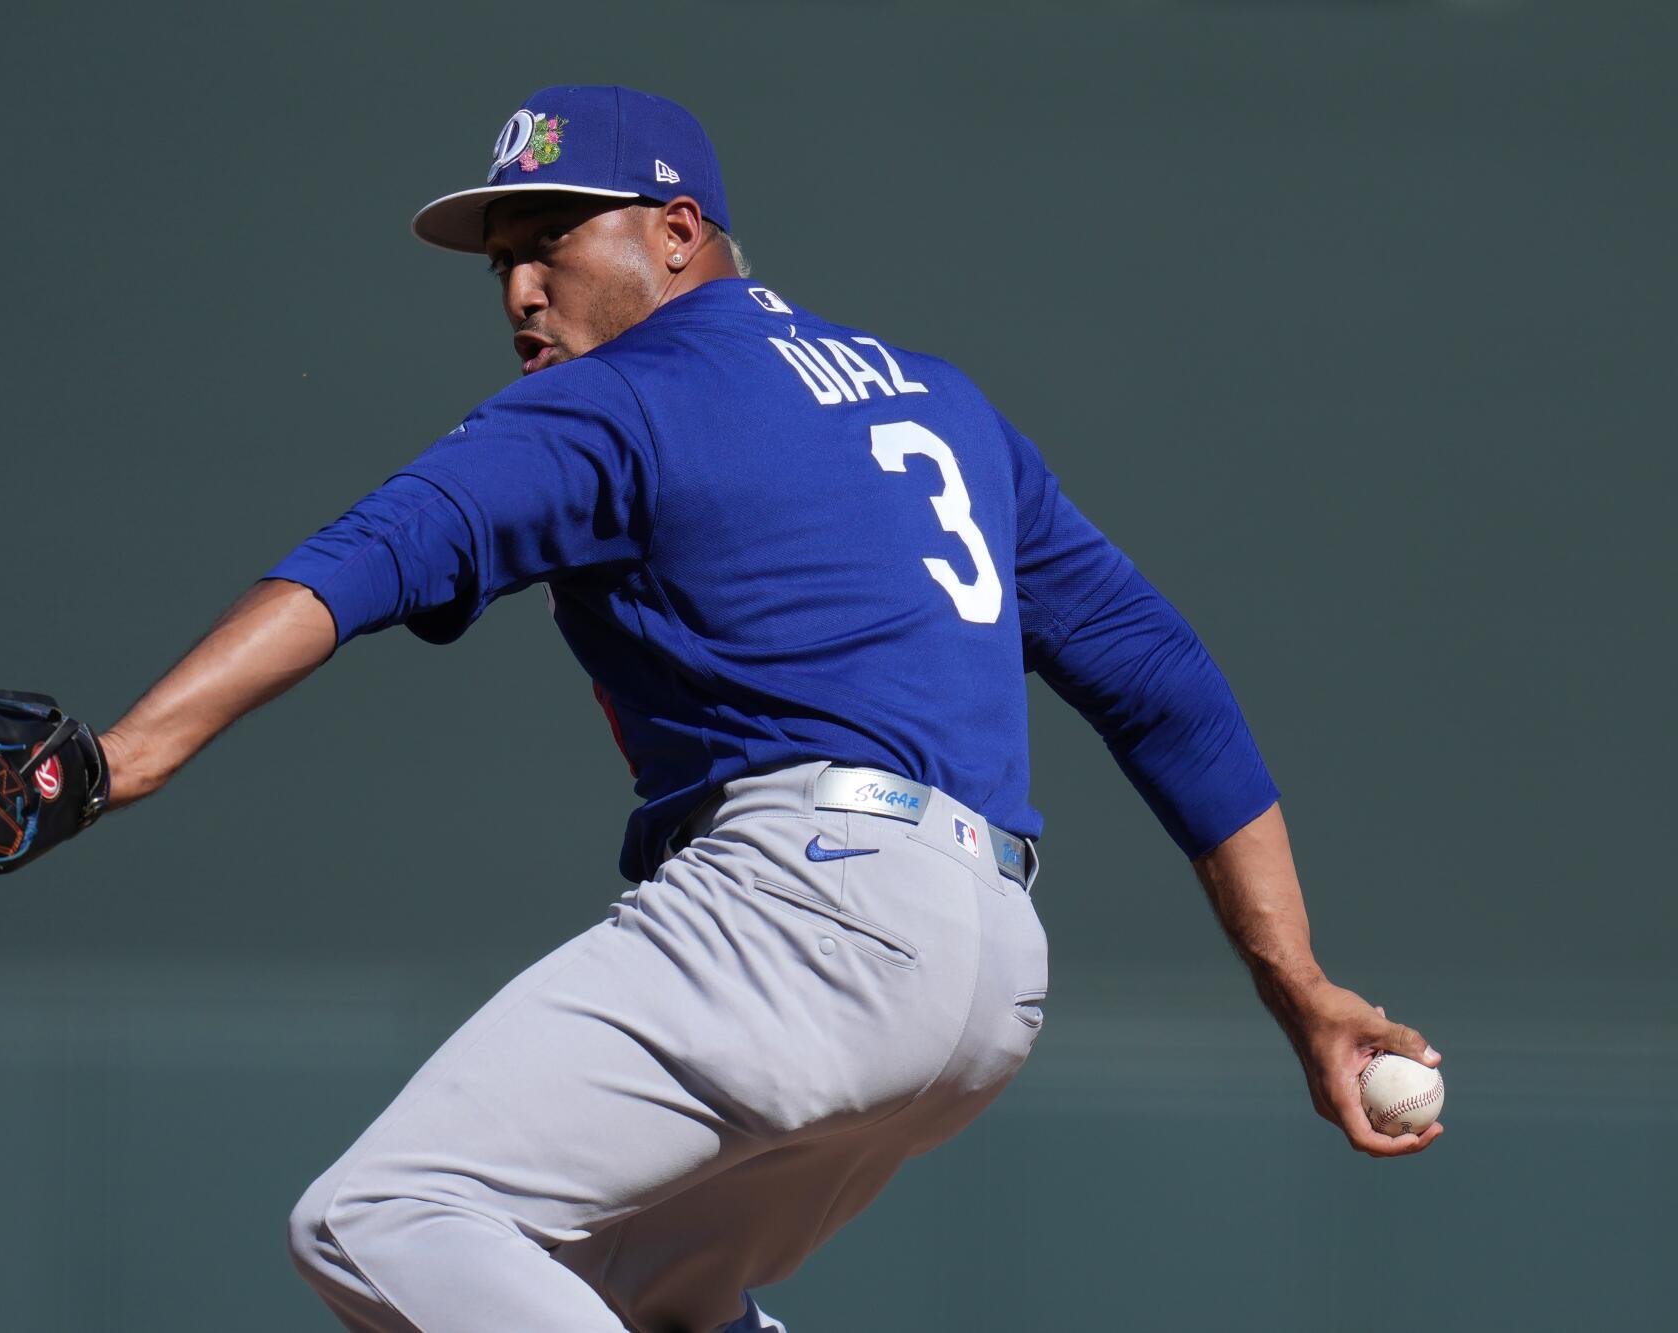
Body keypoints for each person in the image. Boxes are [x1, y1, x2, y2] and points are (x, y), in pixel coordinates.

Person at [94, 85, 1443, 1333]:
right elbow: (1164, 686)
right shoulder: (942, 400)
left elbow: (370, 553)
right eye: (502, 254)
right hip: (983, 973)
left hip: (801, 910)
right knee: (616, 1297)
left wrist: (119, 757)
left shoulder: (619, 398)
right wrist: (1302, 983)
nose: (518, 285)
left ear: (678, 231)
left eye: (551, 238)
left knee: (383, 1213)